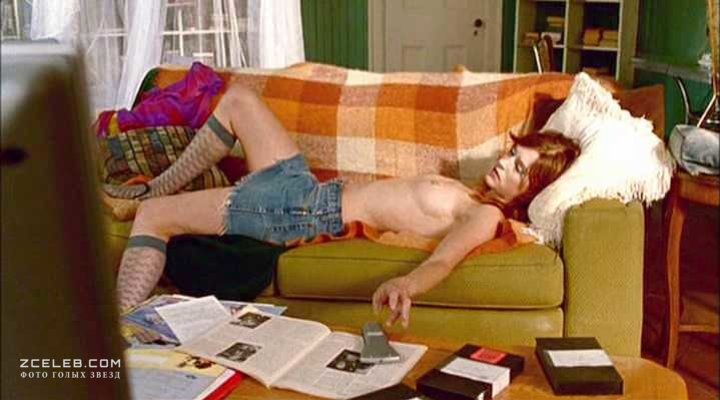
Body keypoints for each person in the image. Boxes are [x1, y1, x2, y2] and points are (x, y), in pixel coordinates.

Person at [106, 83, 580, 327]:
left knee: (154, 220)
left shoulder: (485, 215)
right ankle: (153, 190)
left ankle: (115, 333)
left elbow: (444, 259)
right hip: (305, 188)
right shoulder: (470, 192)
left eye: (519, 170)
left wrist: (406, 283)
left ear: (528, 193)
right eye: (513, 154)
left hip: (300, 212)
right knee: (239, 100)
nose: (505, 163)